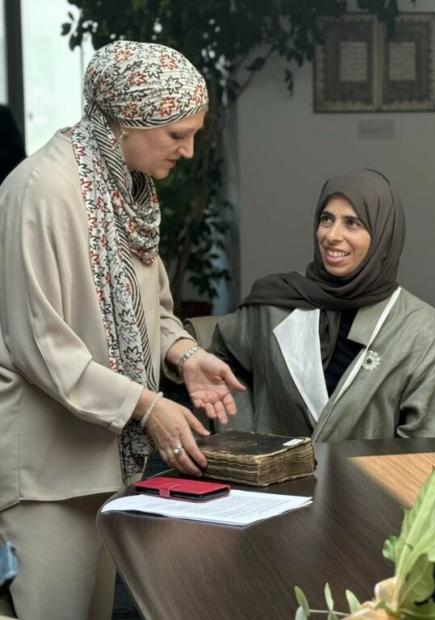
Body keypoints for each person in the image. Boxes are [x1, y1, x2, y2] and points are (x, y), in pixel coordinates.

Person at [0, 41, 244, 619]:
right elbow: (43, 349)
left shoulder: (127, 189)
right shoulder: (41, 192)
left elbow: (150, 306)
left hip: (105, 461)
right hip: (46, 475)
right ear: (128, 121)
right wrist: (147, 406)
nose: (187, 151)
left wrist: (184, 355)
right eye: (177, 135)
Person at [210, 169, 435, 440]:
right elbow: (220, 359)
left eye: (352, 223)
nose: (332, 235)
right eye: (326, 219)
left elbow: (425, 443)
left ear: (384, 236)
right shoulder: (275, 302)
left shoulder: (420, 327)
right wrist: (245, 442)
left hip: (366, 481)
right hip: (271, 479)